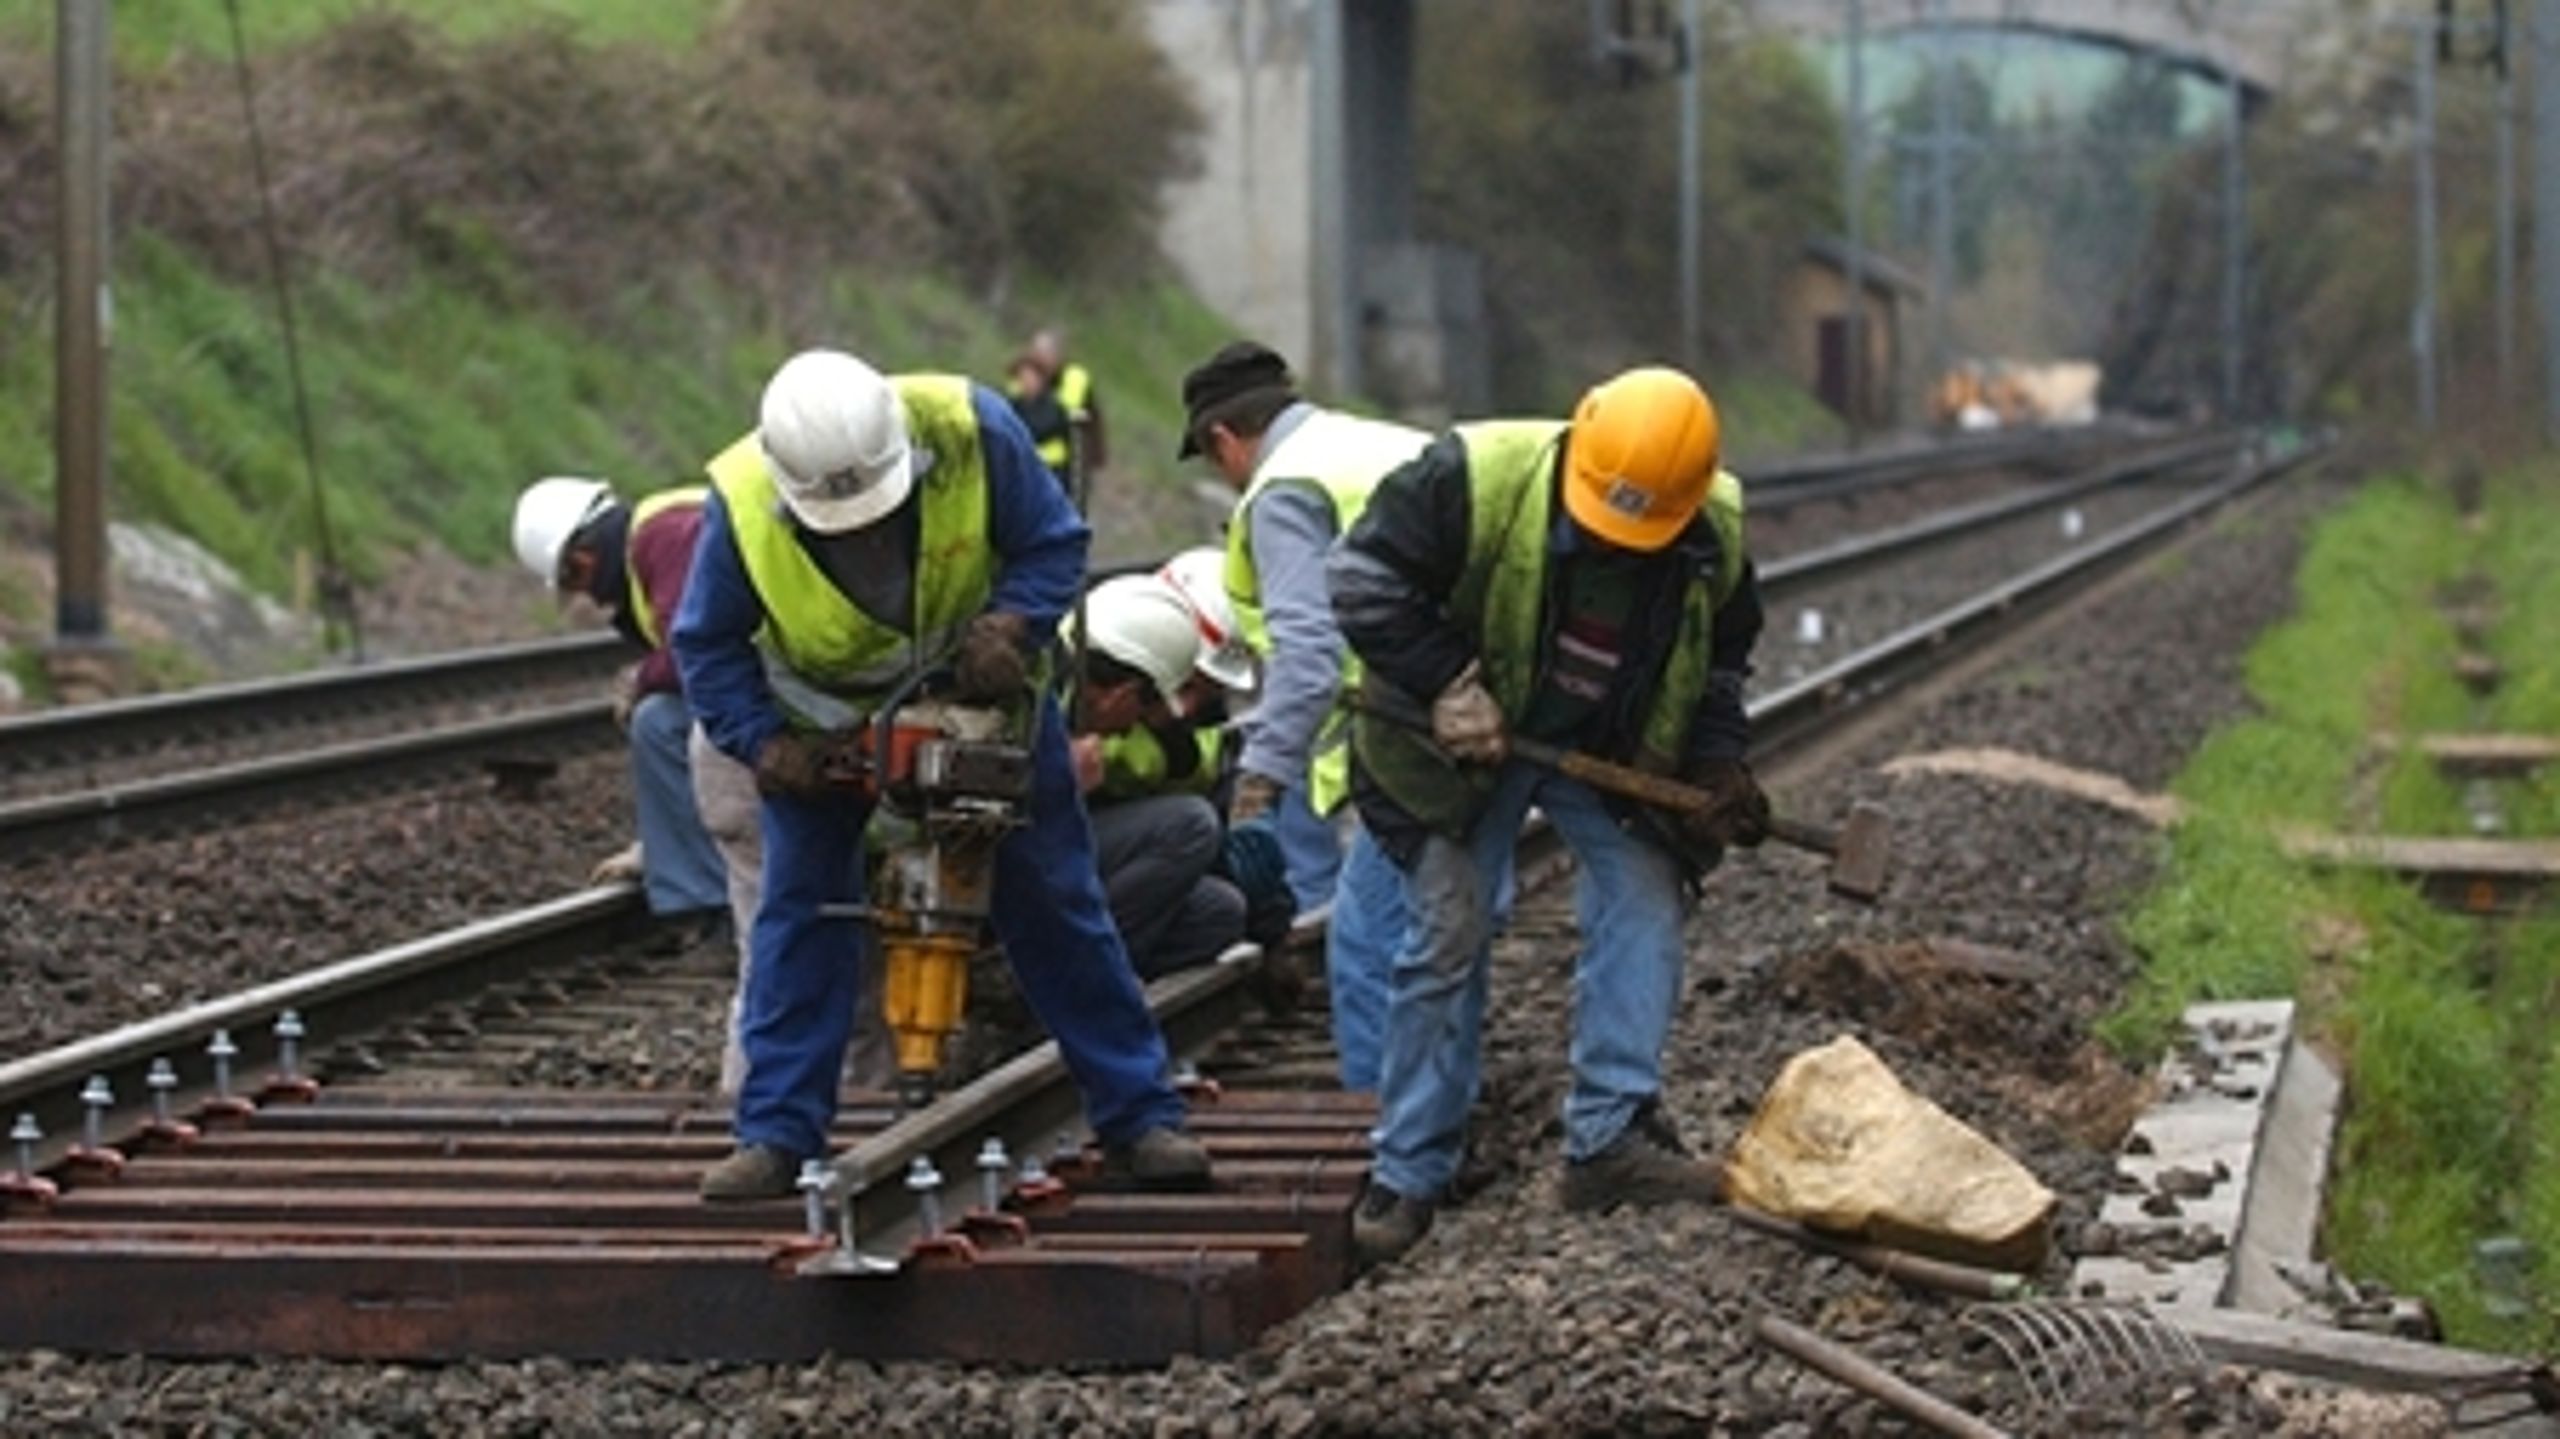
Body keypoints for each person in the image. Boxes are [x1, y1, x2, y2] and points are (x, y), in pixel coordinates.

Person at [672, 347, 1211, 1200]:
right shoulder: (742, 503)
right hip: (827, 731)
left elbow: (1054, 543)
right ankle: (775, 1134)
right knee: (801, 915)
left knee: (1056, 901)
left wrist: (1012, 624)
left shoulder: (972, 430)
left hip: (982, 707)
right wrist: (766, 746)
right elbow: (706, 643)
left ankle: (1138, 1114)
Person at [1328, 365, 1769, 1265]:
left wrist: (1718, 756)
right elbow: (1362, 576)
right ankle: (1410, 1168)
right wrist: (1446, 682)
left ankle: (1609, 1136)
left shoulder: (1713, 531)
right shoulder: (1472, 477)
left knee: (1646, 896)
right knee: (1448, 928)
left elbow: (1722, 657)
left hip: (1605, 742)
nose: (1617, 542)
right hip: (1457, 740)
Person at [1177, 341, 1431, 1092]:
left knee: (1367, 943)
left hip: (1414, 728)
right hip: (1475, 703)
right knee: (1438, 932)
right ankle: (1434, 1107)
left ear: (1224, 438)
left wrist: (1260, 780)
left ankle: (1392, 1129)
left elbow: (1310, 656)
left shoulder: (1285, 490)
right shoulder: (1383, 443)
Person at [509, 477, 727, 941]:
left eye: (575, 579)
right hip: (774, 674)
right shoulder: (657, 538)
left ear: (584, 556)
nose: (589, 596)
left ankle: (709, 908)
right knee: (666, 714)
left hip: (784, 680)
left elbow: (695, 655)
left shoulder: (666, 539)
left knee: (658, 721)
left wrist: (640, 680)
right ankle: (682, 859)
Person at [1064, 573, 1249, 979]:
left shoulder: (1185, 735)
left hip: (1073, 846)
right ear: (1123, 693)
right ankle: (1082, 977)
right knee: (1190, 825)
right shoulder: (1044, 690)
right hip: (1020, 859)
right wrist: (1054, 781)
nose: (1185, 709)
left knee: (1219, 911)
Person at [1004, 351, 1075, 494]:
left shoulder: (1054, 408)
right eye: (1022, 377)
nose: (1026, 382)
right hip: (1021, 472)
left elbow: (1044, 430)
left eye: (1031, 377)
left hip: (1052, 471)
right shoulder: (1012, 405)